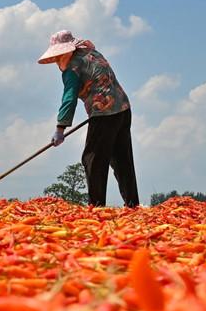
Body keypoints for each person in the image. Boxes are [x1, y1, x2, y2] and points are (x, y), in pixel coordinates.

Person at [38, 30, 138, 208]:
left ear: (65, 51)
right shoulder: (92, 53)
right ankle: (132, 205)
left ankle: (96, 206)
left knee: (93, 159)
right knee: (122, 159)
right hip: (123, 108)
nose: (56, 61)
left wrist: (60, 128)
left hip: (104, 113)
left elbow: (69, 97)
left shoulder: (72, 68)